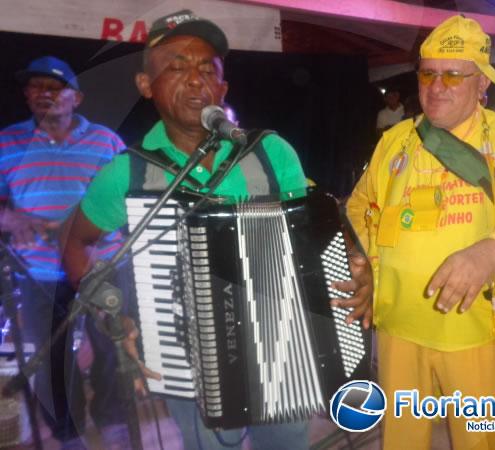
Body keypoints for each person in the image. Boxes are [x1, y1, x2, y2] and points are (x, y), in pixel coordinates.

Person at [59, 10, 373, 450]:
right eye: (176, 67)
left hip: (282, 352)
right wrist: (109, 310)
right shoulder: (126, 173)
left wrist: (357, 269)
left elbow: (319, 232)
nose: (194, 80)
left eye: (207, 69)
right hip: (187, 364)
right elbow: (76, 243)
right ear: (145, 86)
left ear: (222, 88)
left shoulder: (271, 152)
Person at [347, 15, 495, 450]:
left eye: (452, 74)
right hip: (396, 325)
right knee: (401, 438)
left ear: (482, 83)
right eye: (427, 72)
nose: (436, 85)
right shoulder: (396, 140)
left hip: (472, 330)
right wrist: (365, 264)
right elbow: (359, 206)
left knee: (478, 441)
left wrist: (490, 252)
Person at [0, 56, 130, 449]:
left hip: (100, 266)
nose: (44, 94)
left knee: (110, 348)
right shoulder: (6, 141)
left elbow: (128, 199)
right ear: (26, 96)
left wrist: (126, 241)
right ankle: (69, 433)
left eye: (55, 88)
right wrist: (12, 219)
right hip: (39, 271)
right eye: (36, 87)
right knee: (51, 357)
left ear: (77, 97)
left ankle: (113, 423)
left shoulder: (107, 141)